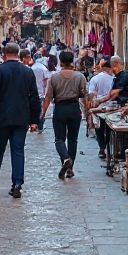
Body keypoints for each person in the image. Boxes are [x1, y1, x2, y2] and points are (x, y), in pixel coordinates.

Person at [0, 42, 40, 198]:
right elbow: (34, 97)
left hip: (2, 117)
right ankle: (17, 183)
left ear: (5, 54)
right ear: (18, 53)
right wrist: (34, 120)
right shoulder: (28, 72)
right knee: (18, 150)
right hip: (22, 118)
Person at [41, 49, 89, 180]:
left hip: (60, 109)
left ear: (60, 62)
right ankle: (70, 169)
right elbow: (85, 97)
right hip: (74, 108)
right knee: (73, 139)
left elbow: (48, 97)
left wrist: (42, 113)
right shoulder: (80, 76)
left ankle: (65, 158)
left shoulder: (54, 77)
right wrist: (87, 113)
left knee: (59, 139)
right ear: (72, 61)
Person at [87, 57, 116, 159]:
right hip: (112, 108)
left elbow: (91, 94)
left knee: (99, 128)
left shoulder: (95, 79)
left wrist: (91, 105)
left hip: (98, 108)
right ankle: (107, 147)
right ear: (110, 68)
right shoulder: (114, 79)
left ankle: (101, 148)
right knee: (108, 129)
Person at [23, 50, 51, 133]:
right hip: (41, 92)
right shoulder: (43, 68)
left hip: (32, 92)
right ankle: (40, 126)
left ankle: (33, 124)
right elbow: (46, 82)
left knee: (33, 109)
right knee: (41, 110)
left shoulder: (31, 68)